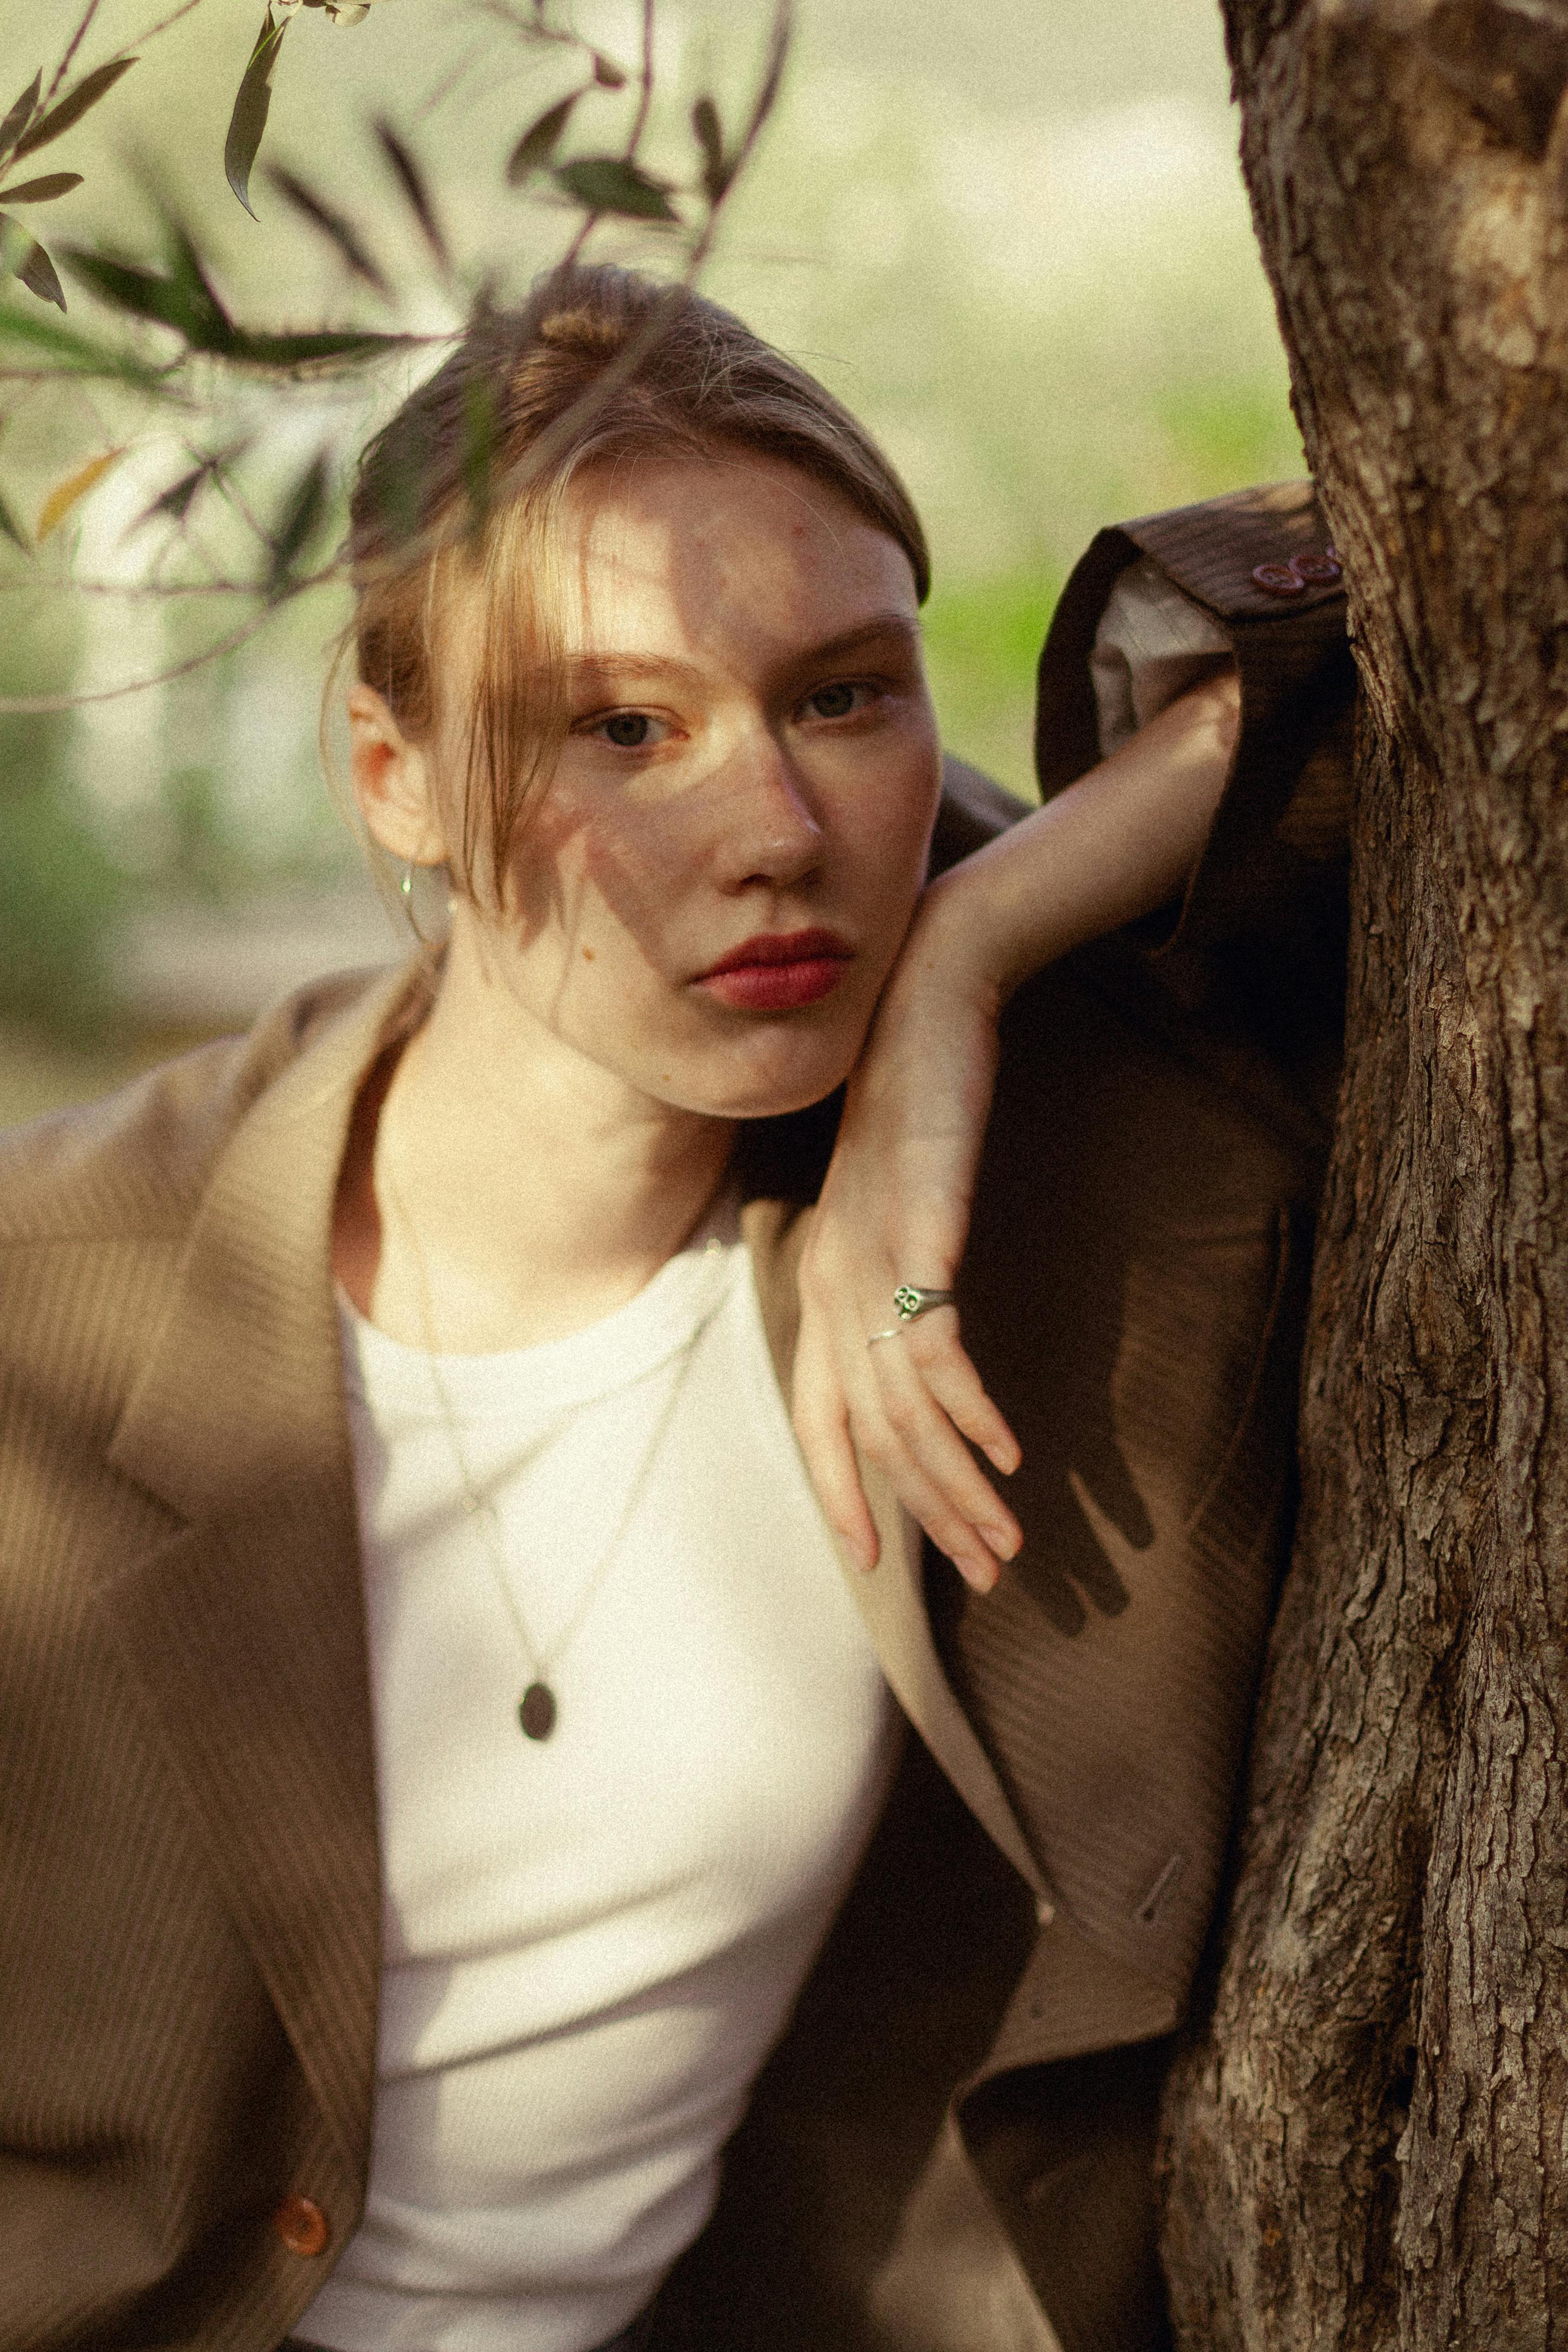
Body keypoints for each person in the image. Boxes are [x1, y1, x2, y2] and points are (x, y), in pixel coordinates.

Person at [0, 265, 1353, 2352]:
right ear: (394, 771)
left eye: (843, 695)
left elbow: (1430, 589)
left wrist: (970, 961)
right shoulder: (46, 1322)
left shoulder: (1067, 1160)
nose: (777, 834)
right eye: (622, 726)